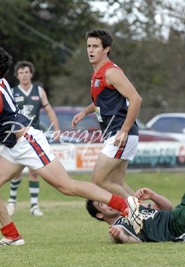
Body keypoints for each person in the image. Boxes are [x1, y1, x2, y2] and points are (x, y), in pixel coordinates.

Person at [0, 45, 143, 246]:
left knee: (66, 186)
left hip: (27, 142)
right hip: (13, 145)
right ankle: (12, 235)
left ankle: (124, 206)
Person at [72, 29, 142, 198]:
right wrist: (85, 112)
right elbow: (102, 100)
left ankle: (143, 214)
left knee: (99, 181)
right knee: (116, 183)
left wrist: (124, 130)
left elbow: (136, 99)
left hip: (121, 133)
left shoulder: (111, 72)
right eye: (88, 46)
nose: (90, 50)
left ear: (106, 49)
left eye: (95, 46)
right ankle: (148, 215)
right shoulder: (97, 72)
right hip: (115, 133)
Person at [6, 61, 60, 216]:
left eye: (26, 72)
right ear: (17, 75)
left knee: (34, 171)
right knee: (15, 171)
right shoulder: (12, 91)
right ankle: (12, 201)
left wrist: (56, 129)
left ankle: (34, 206)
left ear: (31, 74)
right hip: (17, 135)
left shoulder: (39, 91)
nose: (24, 75)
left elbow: (49, 109)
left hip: (33, 136)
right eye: (21, 72)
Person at [86, 186, 185, 243]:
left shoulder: (132, 208)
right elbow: (126, 239)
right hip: (178, 228)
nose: (108, 202)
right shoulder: (119, 226)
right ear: (99, 215)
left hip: (178, 213)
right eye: (102, 204)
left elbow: (168, 208)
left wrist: (153, 195)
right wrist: (119, 236)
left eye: (107, 199)